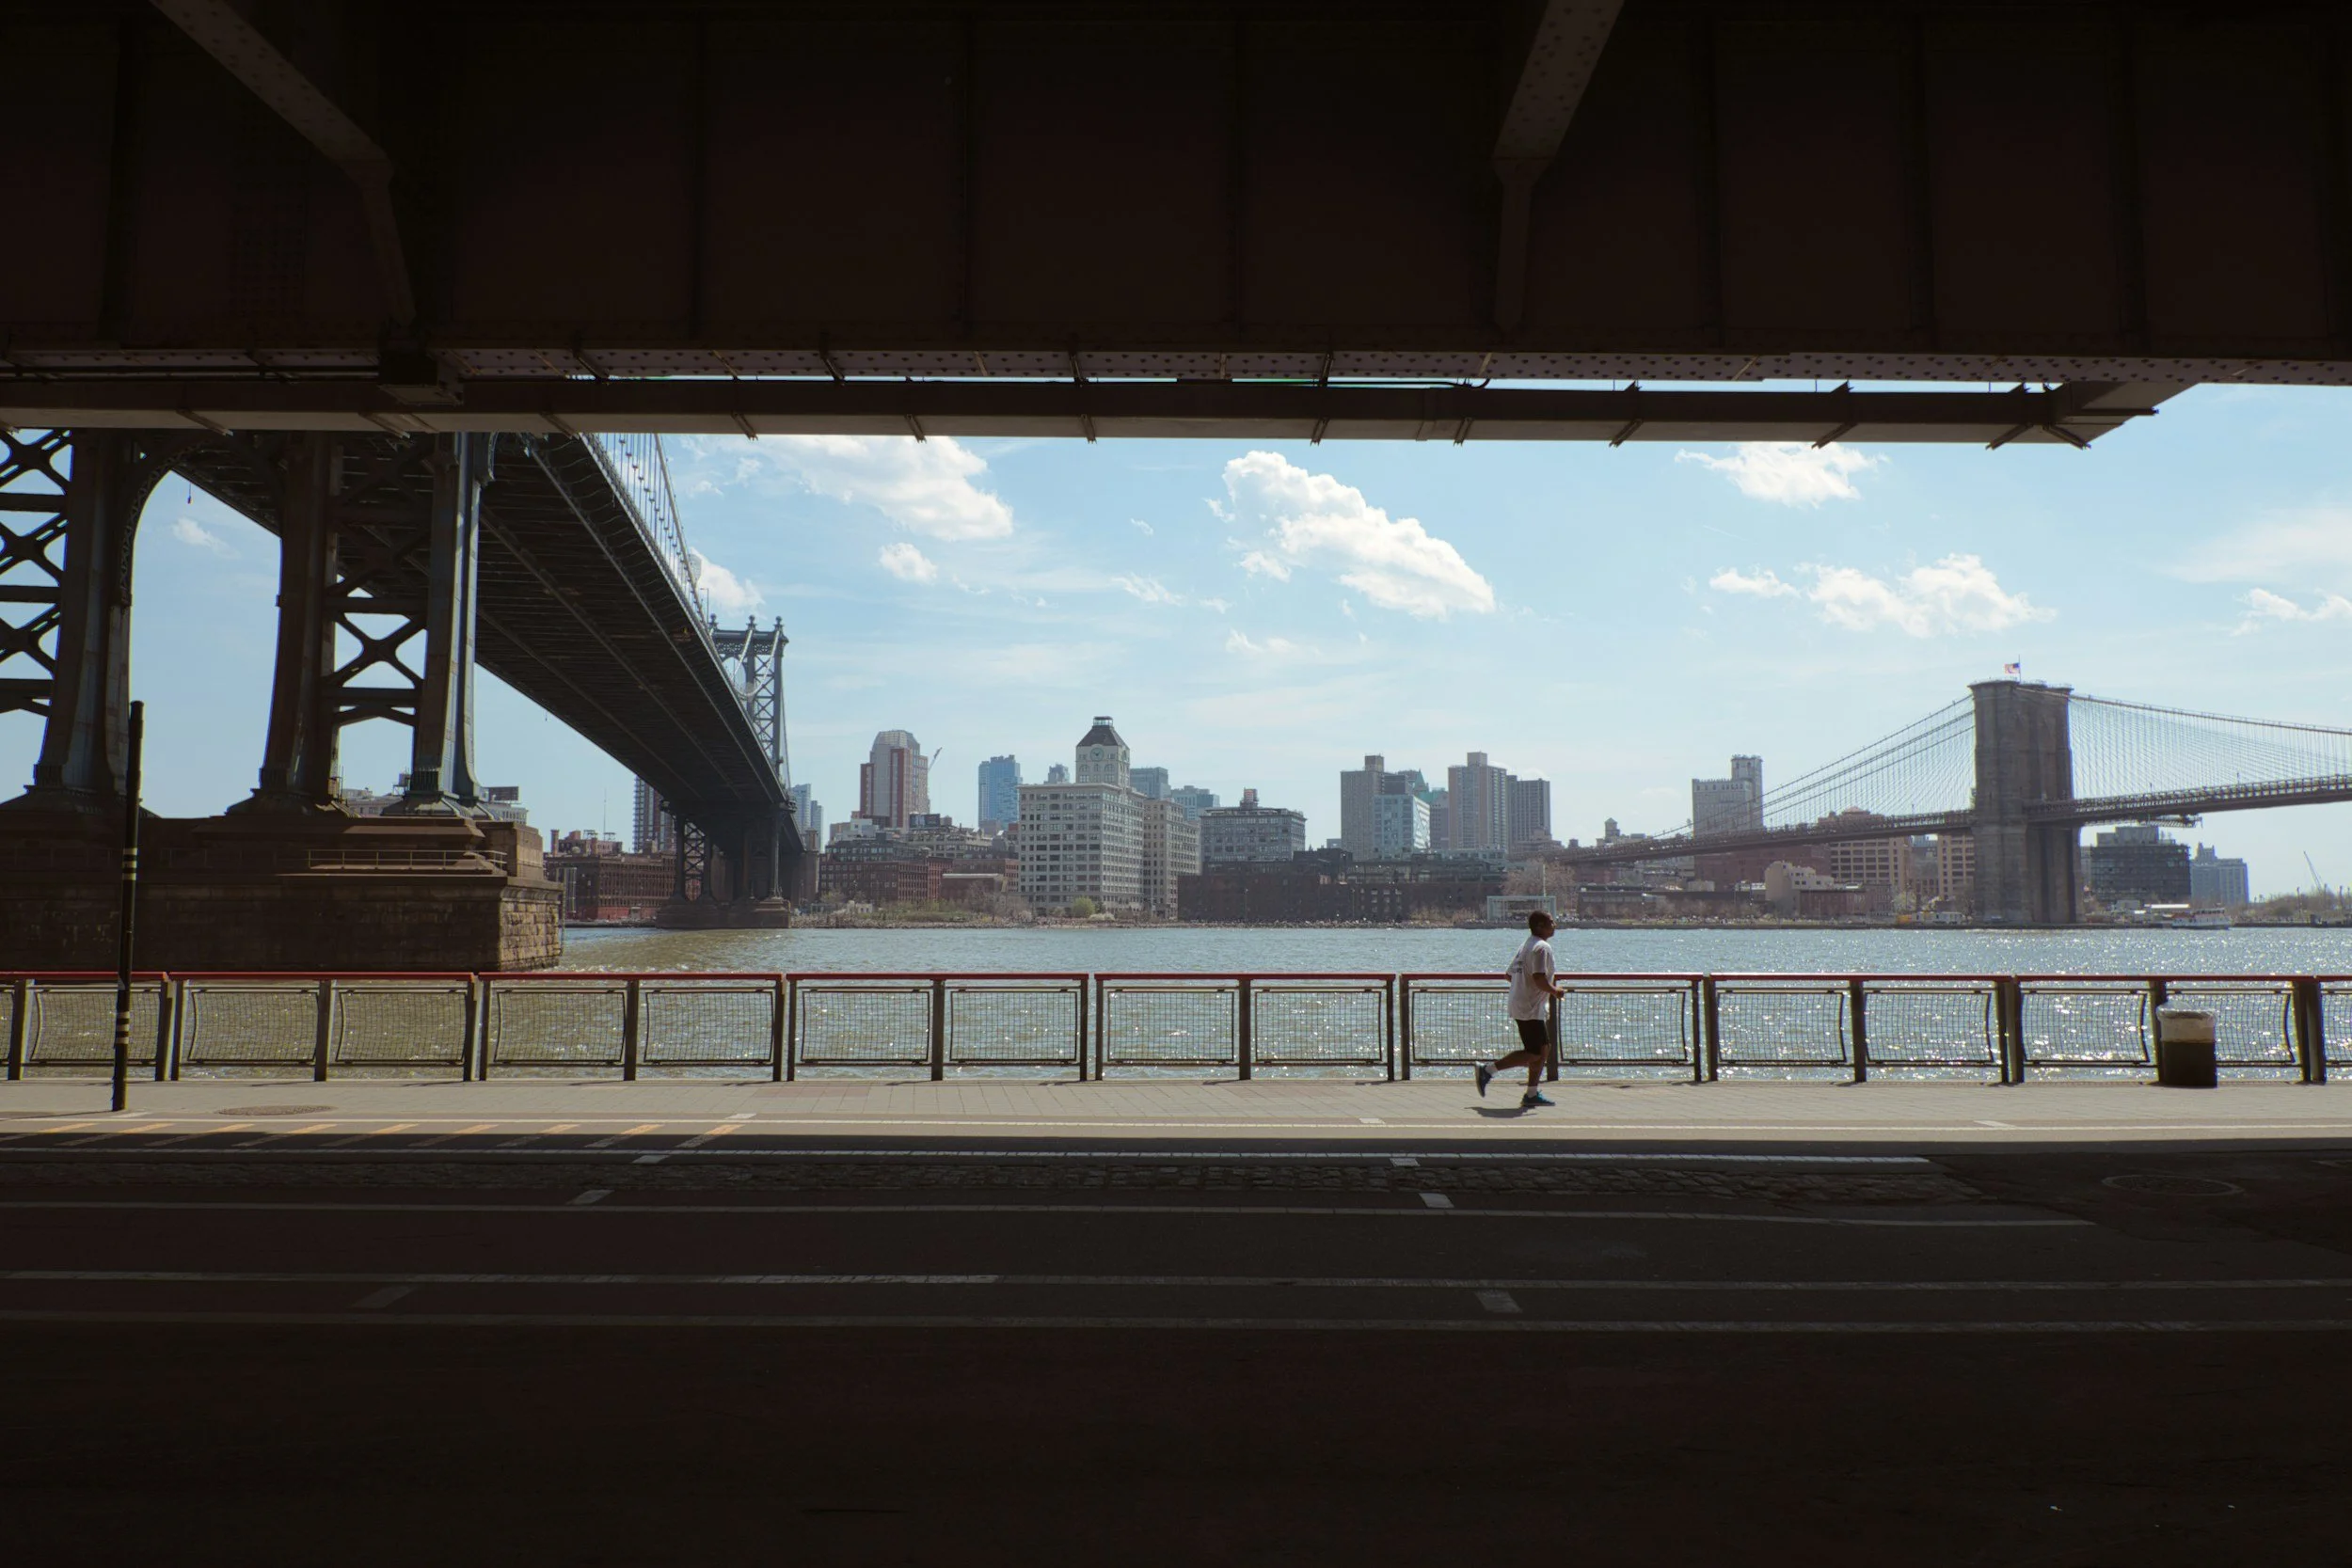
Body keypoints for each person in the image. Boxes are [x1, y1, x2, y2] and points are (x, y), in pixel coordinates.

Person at [1477, 911, 1565, 1109]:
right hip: (1529, 1007)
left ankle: (1531, 1093)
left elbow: (1509, 975)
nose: (1555, 925)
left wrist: (1525, 987)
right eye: (1551, 922)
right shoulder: (1542, 948)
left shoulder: (1526, 945)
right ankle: (1488, 1070)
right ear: (1540, 926)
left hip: (1523, 1004)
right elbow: (1539, 978)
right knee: (1535, 1053)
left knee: (1543, 1050)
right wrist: (1555, 991)